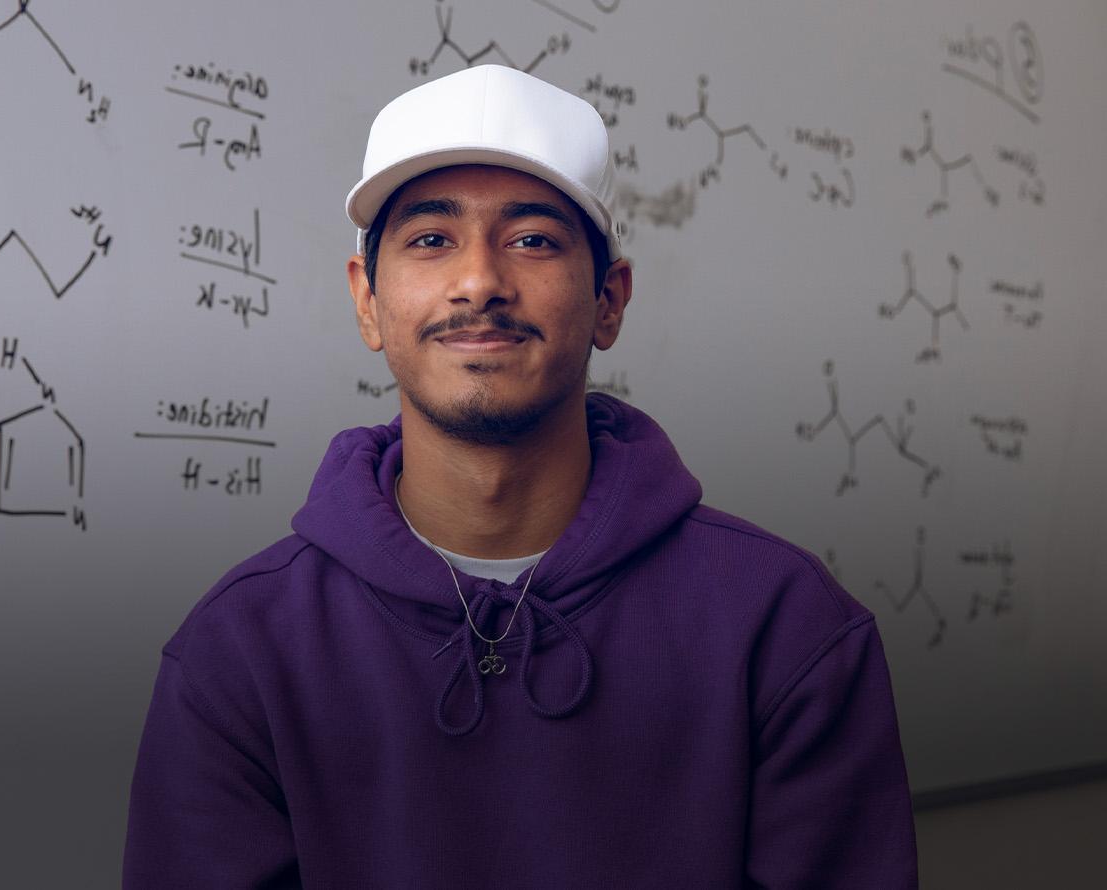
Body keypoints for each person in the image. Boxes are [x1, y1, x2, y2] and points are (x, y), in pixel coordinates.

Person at [122, 64, 919, 887]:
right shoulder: (240, 650)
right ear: (367, 300)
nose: (480, 282)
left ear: (609, 299)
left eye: (533, 239)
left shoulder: (786, 626)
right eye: (431, 240)